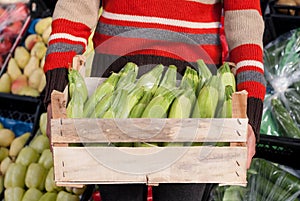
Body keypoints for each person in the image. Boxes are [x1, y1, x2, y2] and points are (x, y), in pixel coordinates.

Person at [43, 0, 266, 200]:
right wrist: (58, 88)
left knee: (182, 196)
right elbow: (75, 8)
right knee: (119, 195)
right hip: (113, 90)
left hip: (195, 98)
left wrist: (251, 100)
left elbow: (245, 21)